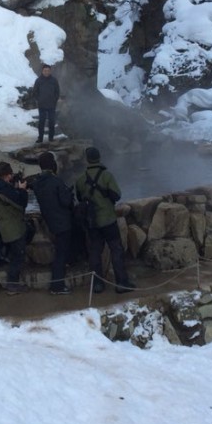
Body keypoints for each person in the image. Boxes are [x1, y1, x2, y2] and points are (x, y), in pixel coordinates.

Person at [75, 146, 136, 294]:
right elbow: (117, 195)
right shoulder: (107, 175)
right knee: (116, 249)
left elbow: (79, 198)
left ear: (87, 159)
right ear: (99, 158)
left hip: (92, 222)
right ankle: (121, 282)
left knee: (95, 252)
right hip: (108, 219)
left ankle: (98, 284)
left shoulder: (80, 179)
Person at [34, 151, 74, 295]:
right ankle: (57, 286)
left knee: (61, 251)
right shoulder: (56, 181)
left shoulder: (37, 182)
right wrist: (69, 193)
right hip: (62, 221)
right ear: (52, 164)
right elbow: (66, 201)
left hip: (49, 221)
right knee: (61, 254)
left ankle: (65, 269)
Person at [0, 161, 29, 294]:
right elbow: (21, 203)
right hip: (14, 227)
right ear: (7, 175)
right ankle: (12, 285)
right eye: (10, 174)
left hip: (5, 226)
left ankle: (13, 283)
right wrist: (22, 190)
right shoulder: (4, 189)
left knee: (14, 255)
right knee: (18, 256)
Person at [32, 64, 60, 144]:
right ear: (42, 71)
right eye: (45, 71)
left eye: (48, 71)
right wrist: (39, 100)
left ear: (50, 71)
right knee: (41, 122)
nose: (46, 72)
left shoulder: (54, 80)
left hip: (51, 105)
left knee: (52, 121)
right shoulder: (38, 80)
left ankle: (51, 138)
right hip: (42, 105)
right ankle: (40, 138)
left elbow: (57, 91)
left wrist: (54, 100)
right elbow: (35, 92)